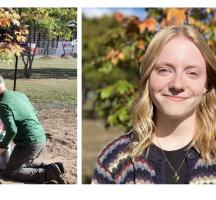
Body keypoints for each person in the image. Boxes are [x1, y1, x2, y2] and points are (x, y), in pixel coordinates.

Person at [92, 25, 216, 184]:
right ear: (148, 77)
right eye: (164, 70)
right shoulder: (114, 160)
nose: (177, 84)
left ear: (206, 83)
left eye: (192, 73)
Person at [0, 74, 65, 184]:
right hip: (40, 136)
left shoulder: (2, 105)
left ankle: (47, 174)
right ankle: (54, 167)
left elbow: (12, 130)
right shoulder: (20, 95)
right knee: (21, 163)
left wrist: (2, 146)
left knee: (11, 172)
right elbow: (35, 113)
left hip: (29, 142)